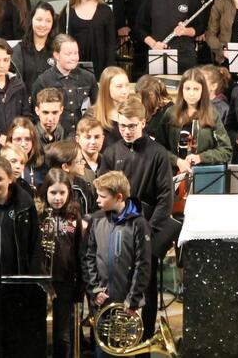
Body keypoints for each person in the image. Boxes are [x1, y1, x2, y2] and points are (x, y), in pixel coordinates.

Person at [96, 97, 176, 336]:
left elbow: (166, 198)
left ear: (143, 122)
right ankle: (115, 340)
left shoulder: (158, 154)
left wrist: (147, 231)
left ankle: (146, 340)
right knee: (115, 288)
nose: (126, 131)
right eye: (122, 126)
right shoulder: (111, 153)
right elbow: (102, 193)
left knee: (146, 291)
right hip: (116, 232)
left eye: (131, 126)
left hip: (146, 231)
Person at [83, 170, 151, 358]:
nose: (97, 200)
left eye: (102, 196)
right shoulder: (96, 219)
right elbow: (88, 257)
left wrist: (134, 299)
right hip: (102, 302)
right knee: (102, 351)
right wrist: (94, 290)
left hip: (127, 305)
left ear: (119, 197)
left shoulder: (138, 223)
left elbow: (143, 264)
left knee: (124, 351)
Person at [38, 169, 85, 358]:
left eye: (62, 193)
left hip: (65, 280)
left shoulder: (74, 216)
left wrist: (80, 287)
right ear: (45, 192)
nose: (57, 198)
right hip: (42, 281)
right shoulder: (38, 214)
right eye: (53, 193)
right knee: (38, 329)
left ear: (69, 193)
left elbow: (80, 250)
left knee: (63, 332)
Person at [156, 68, 232, 174]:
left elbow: (226, 150)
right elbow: (158, 147)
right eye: (187, 88)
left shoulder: (212, 114)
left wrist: (201, 157)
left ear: (203, 91)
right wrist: (177, 161)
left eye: (196, 89)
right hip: (173, 174)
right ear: (181, 90)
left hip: (203, 175)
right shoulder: (170, 113)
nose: (191, 93)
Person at [136, 0, 203, 73]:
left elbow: (200, 27)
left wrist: (186, 31)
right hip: (158, 52)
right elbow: (140, 27)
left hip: (185, 56)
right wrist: (153, 44)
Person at [31, 34, 98, 137]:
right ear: (56, 55)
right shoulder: (43, 81)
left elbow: (98, 107)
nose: (73, 58)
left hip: (83, 136)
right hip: (55, 139)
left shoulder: (88, 78)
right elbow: (35, 116)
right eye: (68, 54)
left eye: (76, 53)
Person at [57, 0, 116, 78]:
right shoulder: (68, 11)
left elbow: (111, 43)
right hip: (75, 63)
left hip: (101, 64)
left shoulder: (105, 10)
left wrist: (109, 69)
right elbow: (62, 40)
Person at [11, 2, 57, 99]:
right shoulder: (18, 50)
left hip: (52, 108)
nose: (43, 24)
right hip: (25, 106)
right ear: (31, 20)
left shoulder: (58, 50)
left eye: (48, 21)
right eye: (39, 19)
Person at [46, 140, 95, 216]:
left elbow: (91, 211)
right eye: (80, 161)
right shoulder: (48, 186)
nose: (84, 163)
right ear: (65, 167)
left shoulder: (82, 185)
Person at [6, 116, 48, 192]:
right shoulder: (2, 164)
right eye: (18, 139)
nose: (23, 144)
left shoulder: (42, 165)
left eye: (28, 139)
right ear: (10, 140)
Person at [91, 66, 131, 145]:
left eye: (127, 85)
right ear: (106, 88)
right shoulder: (93, 115)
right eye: (119, 86)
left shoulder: (133, 111)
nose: (125, 91)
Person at [135, 75, 174, 142]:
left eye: (142, 98)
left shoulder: (170, 111)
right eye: (138, 97)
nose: (140, 101)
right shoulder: (142, 108)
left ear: (151, 95)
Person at [76, 116, 105, 185]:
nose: (93, 142)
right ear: (77, 139)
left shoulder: (109, 163)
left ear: (103, 138)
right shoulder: (72, 167)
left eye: (97, 137)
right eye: (88, 137)